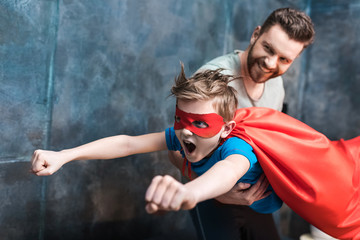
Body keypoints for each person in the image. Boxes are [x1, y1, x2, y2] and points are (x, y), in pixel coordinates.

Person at [30, 67, 283, 230]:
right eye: (180, 119)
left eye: (200, 123)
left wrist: (187, 193)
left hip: (260, 202)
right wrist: (65, 155)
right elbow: (128, 143)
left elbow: (226, 172)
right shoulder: (182, 137)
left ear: (225, 129)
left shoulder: (238, 148)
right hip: (214, 202)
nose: (186, 131)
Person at [168, 7, 315, 240]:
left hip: (253, 192)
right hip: (208, 191)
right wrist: (221, 195)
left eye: (284, 59)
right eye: (268, 48)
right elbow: (175, 147)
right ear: (255, 35)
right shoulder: (213, 77)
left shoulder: (276, 85)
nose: (270, 63)